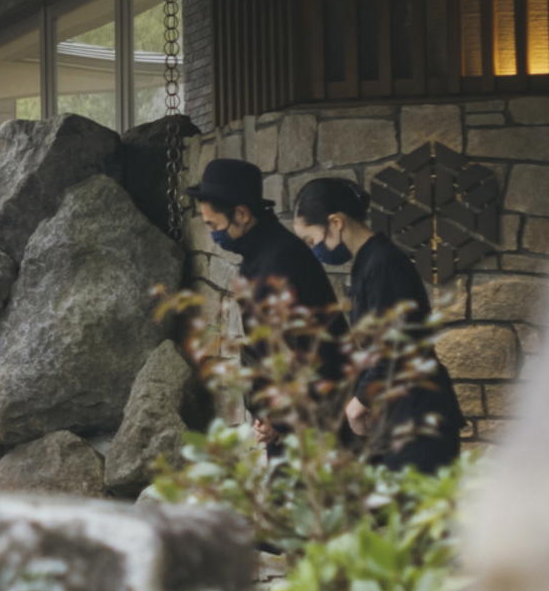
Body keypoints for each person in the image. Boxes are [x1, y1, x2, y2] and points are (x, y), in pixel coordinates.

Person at [292, 176, 465, 473]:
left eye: (312, 240)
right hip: (403, 414)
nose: (314, 250)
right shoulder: (368, 262)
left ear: (336, 222)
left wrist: (360, 402)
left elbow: (395, 346)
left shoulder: (383, 264)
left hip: (420, 418)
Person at [186, 158, 345, 444]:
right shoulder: (265, 254)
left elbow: (300, 353)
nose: (213, 234)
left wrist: (281, 423)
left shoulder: (278, 263)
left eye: (214, 224)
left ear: (242, 214)